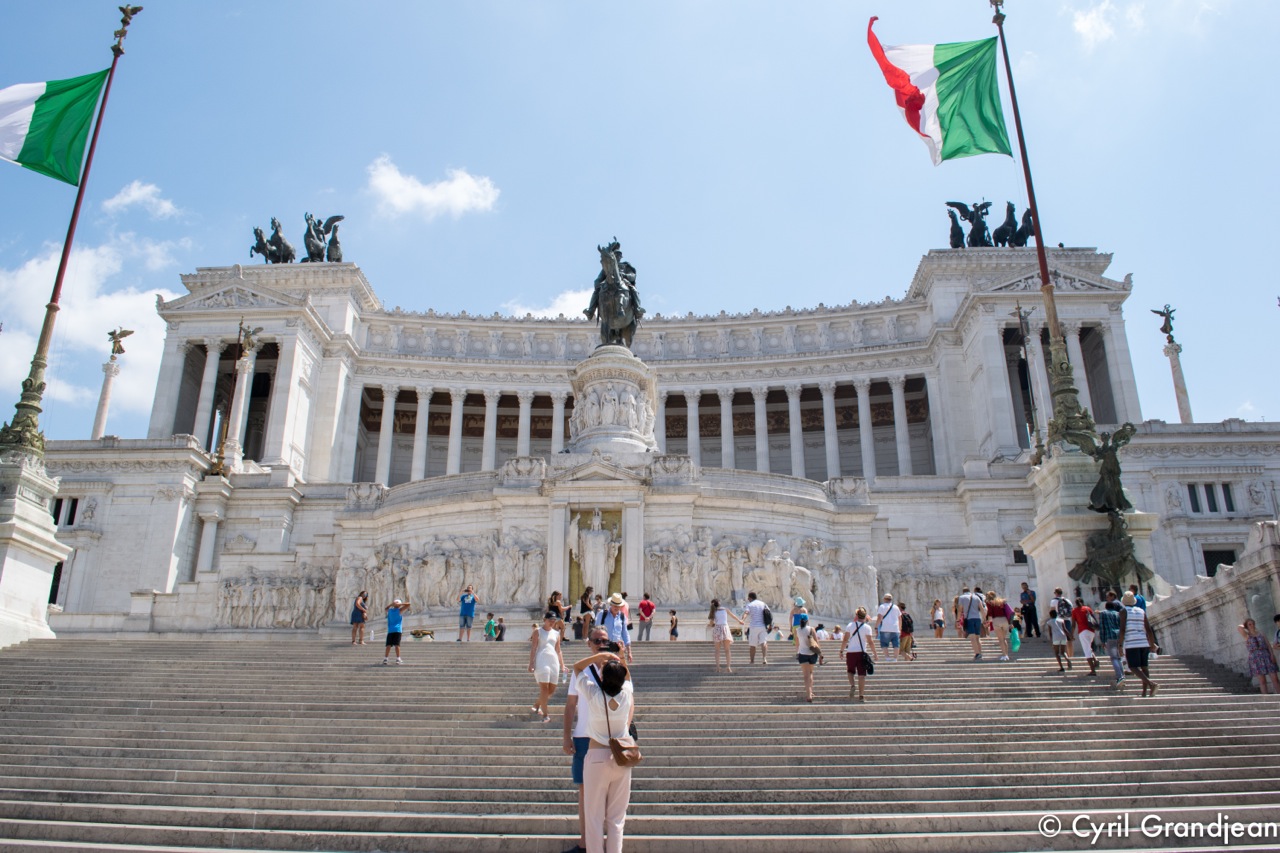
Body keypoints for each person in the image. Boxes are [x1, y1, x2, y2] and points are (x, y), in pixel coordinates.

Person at [573, 649, 637, 853]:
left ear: (601, 677)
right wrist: (618, 659)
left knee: (593, 817)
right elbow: (626, 676)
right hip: (621, 758)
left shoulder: (592, 693)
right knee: (617, 818)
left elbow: (576, 668)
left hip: (597, 757)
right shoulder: (627, 693)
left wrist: (599, 657)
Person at [562, 626, 610, 853]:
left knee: (608, 795)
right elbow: (570, 705)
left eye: (605, 641)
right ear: (589, 643)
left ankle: (607, 843)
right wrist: (566, 736)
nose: (601, 645)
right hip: (582, 738)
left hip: (608, 739)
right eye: (597, 641)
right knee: (584, 794)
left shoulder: (616, 669)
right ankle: (585, 843)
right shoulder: (580, 672)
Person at [1118, 591, 1159, 696]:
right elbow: (1148, 629)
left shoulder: (1123, 611)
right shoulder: (1141, 611)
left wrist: (1120, 645)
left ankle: (1151, 684)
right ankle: (1144, 692)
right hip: (1143, 642)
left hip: (1132, 643)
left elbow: (1122, 629)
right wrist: (1152, 643)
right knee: (1144, 667)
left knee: (1132, 667)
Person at [529, 611, 565, 722]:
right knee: (544, 688)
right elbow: (534, 648)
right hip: (541, 660)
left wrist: (562, 665)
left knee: (551, 690)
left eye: (554, 621)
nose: (552, 623)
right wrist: (531, 663)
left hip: (553, 661)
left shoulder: (556, 633)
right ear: (545, 620)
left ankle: (537, 704)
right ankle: (545, 714)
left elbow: (558, 650)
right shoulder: (537, 632)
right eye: (550, 620)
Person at [839, 606, 878, 702]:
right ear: (865, 616)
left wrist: (841, 651)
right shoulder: (867, 627)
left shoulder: (850, 625)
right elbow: (870, 642)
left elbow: (845, 640)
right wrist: (875, 653)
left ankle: (852, 685)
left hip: (851, 652)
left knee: (850, 671)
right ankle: (861, 696)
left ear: (856, 615)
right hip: (862, 652)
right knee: (861, 675)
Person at [1239, 619, 1280, 694]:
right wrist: (1244, 626)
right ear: (1247, 626)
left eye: (1253, 624)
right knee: (1262, 681)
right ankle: (1266, 698)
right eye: (1250, 624)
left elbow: (1268, 645)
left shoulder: (1261, 633)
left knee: (1275, 678)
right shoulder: (1247, 636)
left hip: (1266, 655)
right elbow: (1239, 628)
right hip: (1255, 658)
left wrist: (1272, 655)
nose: (1252, 625)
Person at [708, 598, 744, 672]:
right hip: (725, 628)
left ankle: (718, 667)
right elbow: (733, 616)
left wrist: (711, 625)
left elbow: (711, 623)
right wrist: (739, 621)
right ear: (719, 603)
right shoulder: (725, 609)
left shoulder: (713, 612)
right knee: (727, 650)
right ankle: (728, 666)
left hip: (717, 629)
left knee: (717, 650)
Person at [1097, 600, 1125, 687]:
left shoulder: (1103, 614)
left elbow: (1102, 627)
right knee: (1119, 657)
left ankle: (1119, 677)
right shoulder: (1117, 614)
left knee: (1114, 658)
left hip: (1110, 637)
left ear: (1106, 607)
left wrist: (1102, 640)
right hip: (1119, 636)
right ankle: (1122, 676)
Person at [794, 614, 821, 701]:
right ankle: (811, 692)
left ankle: (809, 694)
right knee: (810, 673)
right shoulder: (811, 629)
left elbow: (797, 643)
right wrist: (821, 654)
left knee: (806, 675)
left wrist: (797, 653)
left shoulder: (797, 630)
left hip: (802, 653)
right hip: (812, 653)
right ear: (807, 620)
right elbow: (816, 642)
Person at [599, 593, 632, 663]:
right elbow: (595, 631)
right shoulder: (602, 614)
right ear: (611, 604)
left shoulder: (622, 617)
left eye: (618, 606)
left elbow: (625, 634)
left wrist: (629, 652)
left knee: (615, 670)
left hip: (616, 648)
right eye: (615, 605)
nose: (616, 608)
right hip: (604, 647)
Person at [1071, 597, 1099, 676]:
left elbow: (1073, 625)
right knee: (1088, 647)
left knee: (1086, 650)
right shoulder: (1088, 609)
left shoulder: (1074, 611)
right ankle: (1095, 659)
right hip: (1091, 631)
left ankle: (1093, 670)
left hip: (1083, 631)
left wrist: (1071, 634)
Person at [957, 586, 986, 660]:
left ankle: (977, 654)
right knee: (977, 637)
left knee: (972, 637)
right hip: (978, 618)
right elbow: (982, 609)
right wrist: (984, 619)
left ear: (963, 592)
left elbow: (960, 610)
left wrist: (958, 620)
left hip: (969, 619)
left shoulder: (962, 597)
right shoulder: (976, 597)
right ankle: (980, 653)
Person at [742, 591, 771, 665]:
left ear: (750, 598)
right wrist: (770, 624)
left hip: (754, 626)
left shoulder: (750, 604)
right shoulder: (763, 603)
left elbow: (746, 613)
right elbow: (768, 613)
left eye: (748, 598)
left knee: (752, 645)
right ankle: (764, 658)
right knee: (763, 642)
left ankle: (752, 661)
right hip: (763, 626)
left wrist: (742, 620)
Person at [1041, 607, 1073, 673]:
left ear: (1050, 615)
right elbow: (1065, 629)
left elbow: (1050, 632)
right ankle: (1068, 660)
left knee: (1057, 653)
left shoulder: (1049, 622)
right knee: (1063, 652)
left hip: (1056, 637)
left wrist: (1051, 640)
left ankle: (1061, 667)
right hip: (1063, 636)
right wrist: (1070, 635)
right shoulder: (1061, 620)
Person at [986, 591, 1014, 662]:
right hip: (1005, 620)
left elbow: (990, 614)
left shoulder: (990, 603)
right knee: (1004, 639)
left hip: (996, 620)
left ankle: (1004, 655)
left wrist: (987, 622)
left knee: (1000, 639)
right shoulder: (1002, 602)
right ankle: (1006, 654)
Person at [382, 598, 410, 665]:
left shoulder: (390, 611)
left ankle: (386, 658)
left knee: (388, 645)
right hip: (397, 630)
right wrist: (400, 604)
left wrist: (392, 604)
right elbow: (408, 604)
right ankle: (398, 658)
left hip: (390, 630)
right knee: (397, 645)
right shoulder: (399, 610)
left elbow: (385, 608)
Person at [874, 594, 901, 661]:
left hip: (885, 628)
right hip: (895, 628)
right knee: (896, 644)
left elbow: (879, 617)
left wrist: (876, 627)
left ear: (884, 599)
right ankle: (895, 658)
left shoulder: (882, 606)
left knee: (884, 644)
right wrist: (900, 628)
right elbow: (900, 618)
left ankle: (887, 657)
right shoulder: (896, 607)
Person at [1048, 588, 1073, 659]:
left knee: (1060, 639)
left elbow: (1052, 611)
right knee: (1069, 639)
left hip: (1058, 620)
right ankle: (1071, 656)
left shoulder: (1053, 601)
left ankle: (1065, 656)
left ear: (1055, 593)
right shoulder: (1067, 600)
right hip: (1067, 620)